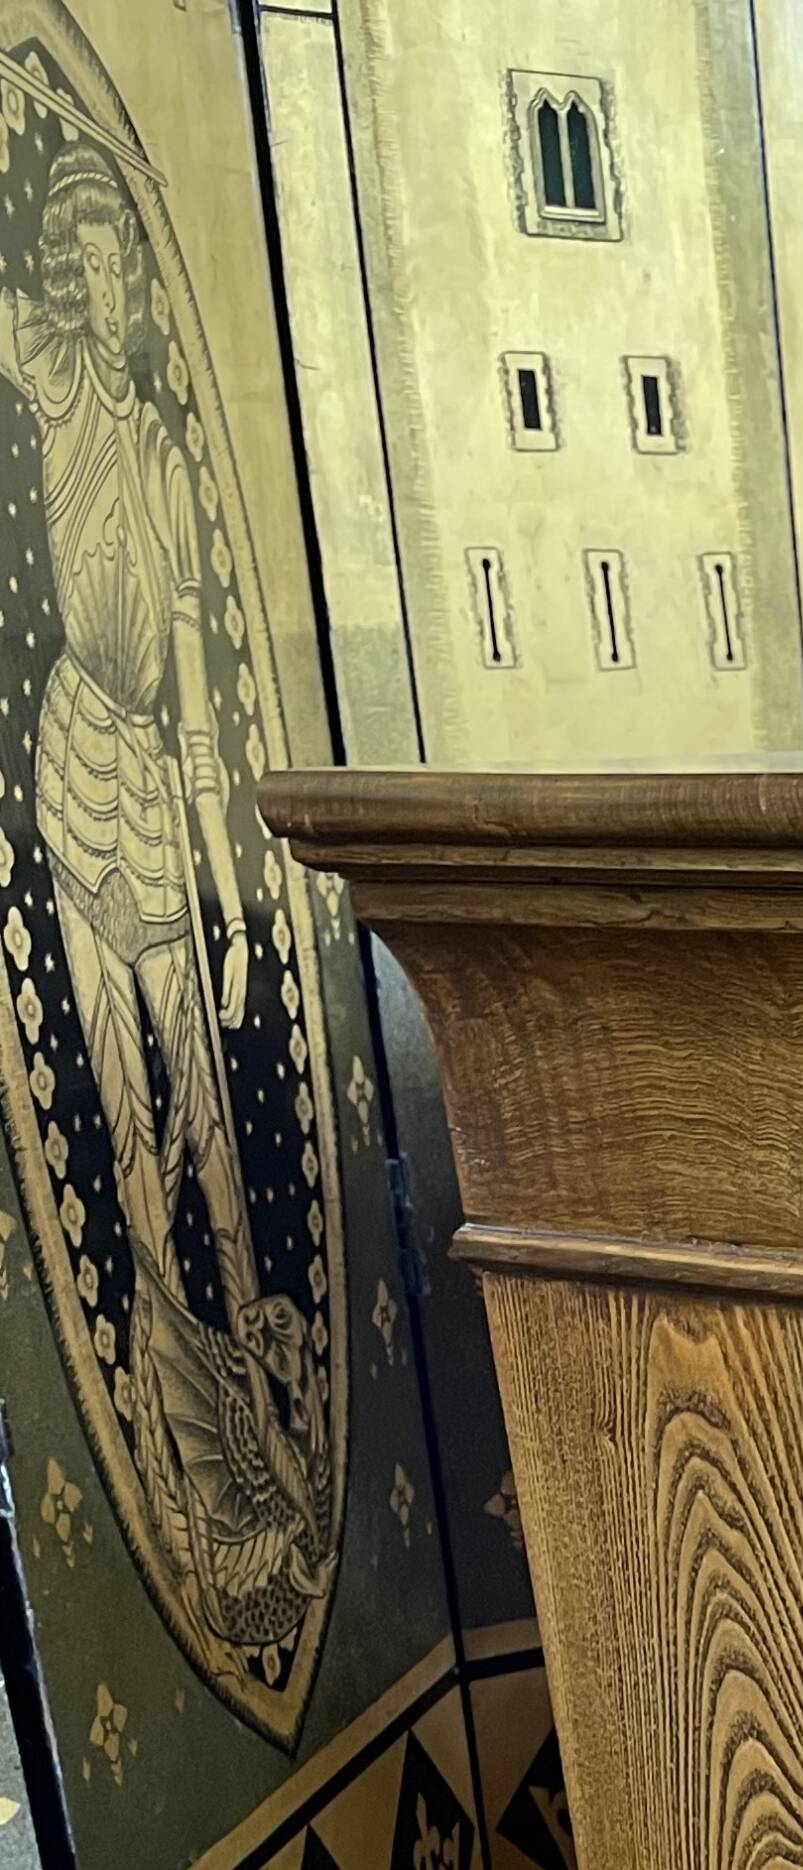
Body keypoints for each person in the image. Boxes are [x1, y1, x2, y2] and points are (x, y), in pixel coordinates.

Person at [0, 139, 330, 1675]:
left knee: (201, 1109)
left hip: (157, 771)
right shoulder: (59, 380)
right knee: (129, 1115)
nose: (95, 278)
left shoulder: (153, 433)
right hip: (78, 757)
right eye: (77, 258)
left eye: (113, 255)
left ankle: (244, 1378)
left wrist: (227, 881)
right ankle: (186, 1392)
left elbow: (197, 663)